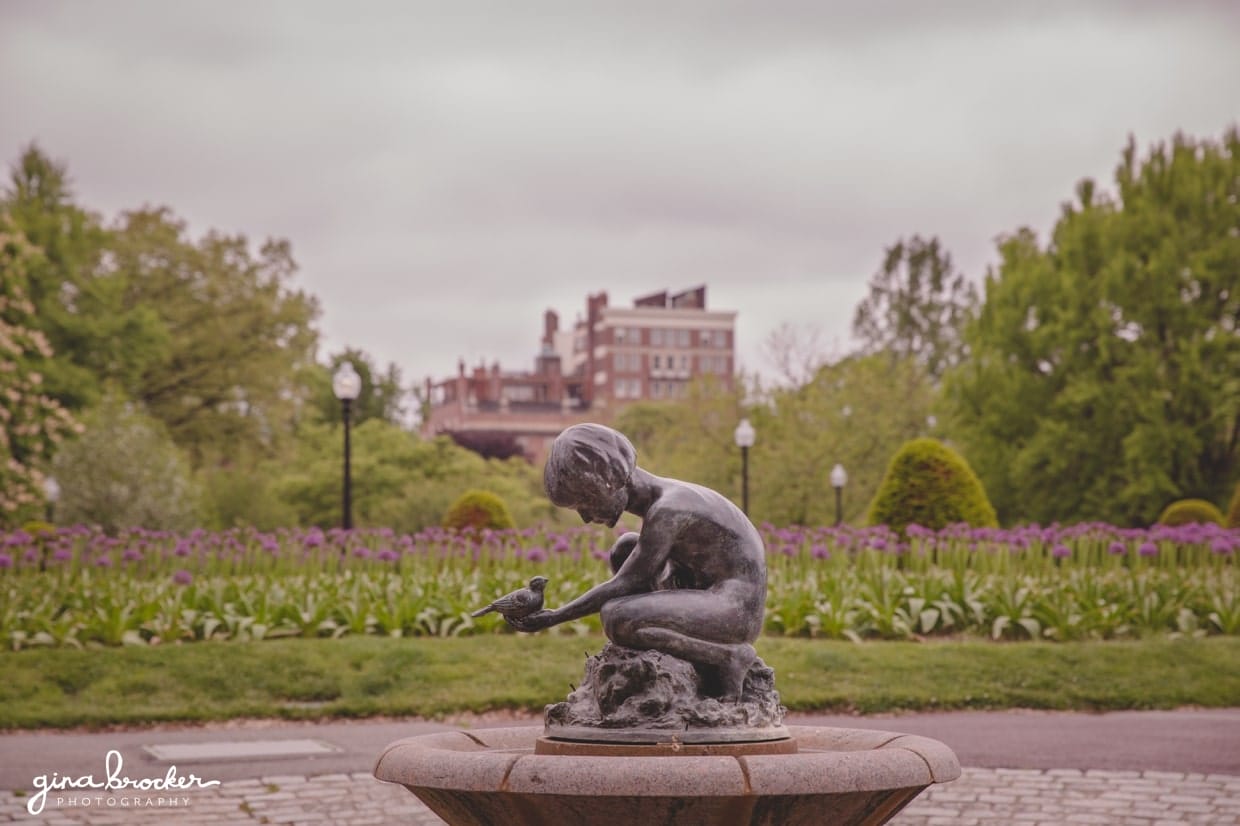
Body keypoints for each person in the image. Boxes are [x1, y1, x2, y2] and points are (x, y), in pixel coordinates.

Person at [510, 423, 767, 701]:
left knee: (616, 618)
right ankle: (662, 654)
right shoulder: (665, 500)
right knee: (625, 548)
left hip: (736, 610)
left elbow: (628, 583)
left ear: (605, 482)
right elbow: (635, 574)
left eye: (584, 503)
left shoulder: (669, 509)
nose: (585, 517)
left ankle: (729, 657)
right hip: (707, 593)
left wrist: (555, 616)